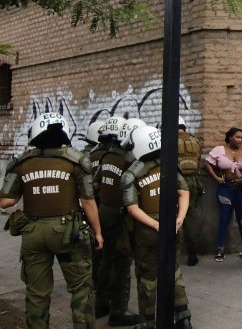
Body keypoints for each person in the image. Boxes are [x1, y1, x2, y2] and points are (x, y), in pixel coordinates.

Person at [0, 112, 103, 329]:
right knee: (81, 289)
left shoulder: (22, 162)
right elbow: (88, 201)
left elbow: (5, 201)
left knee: (37, 293)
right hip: (69, 233)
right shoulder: (76, 160)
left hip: (33, 233)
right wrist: (98, 232)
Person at [121, 125, 193, 329]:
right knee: (174, 271)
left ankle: (148, 322)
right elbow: (184, 193)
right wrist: (179, 219)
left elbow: (132, 208)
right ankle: (184, 318)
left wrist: (155, 225)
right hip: (172, 226)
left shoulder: (132, 174)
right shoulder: (169, 166)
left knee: (148, 277)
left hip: (147, 232)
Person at [91, 116, 141, 326]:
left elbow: (96, 184)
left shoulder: (108, 155)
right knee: (122, 264)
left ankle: (101, 302)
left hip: (104, 211)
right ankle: (119, 312)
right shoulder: (129, 160)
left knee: (105, 260)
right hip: (120, 216)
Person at [204, 127, 242, 262]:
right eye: (237, 137)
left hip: (241, 190)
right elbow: (207, 163)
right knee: (224, 218)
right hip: (225, 188)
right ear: (230, 137)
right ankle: (220, 250)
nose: (240, 140)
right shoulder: (219, 150)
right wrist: (216, 178)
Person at [176, 117, 204, 266]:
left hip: (176, 181)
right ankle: (193, 253)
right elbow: (198, 160)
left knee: (172, 216)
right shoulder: (195, 141)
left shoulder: (169, 140)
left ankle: (173, 252)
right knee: (190, 214)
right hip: (193, 182)